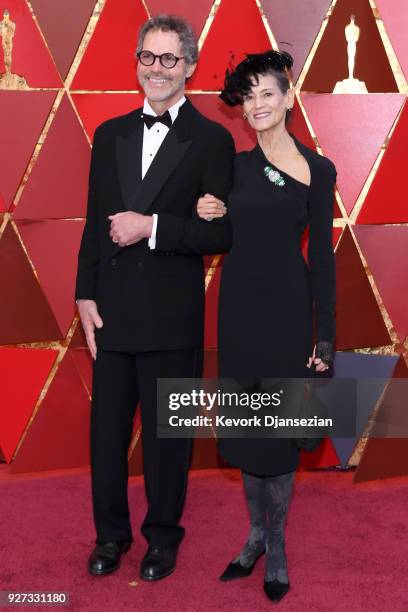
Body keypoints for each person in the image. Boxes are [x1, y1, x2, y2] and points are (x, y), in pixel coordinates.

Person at [75, 14, 235, 581]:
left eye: (170, 59)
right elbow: (96, 222)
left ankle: (162, 539)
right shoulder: (109, 134)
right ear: (137, 61)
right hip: (113, 310)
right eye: (148, 57)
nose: (157, 69)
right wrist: (83, 294)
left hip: (172, 314)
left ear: (189, 66)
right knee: (107, 438)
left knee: (169, 438)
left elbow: (220, 233)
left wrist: (153, 227)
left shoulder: (213, 140)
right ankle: (110, 536)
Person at [197, 50, 337, 603]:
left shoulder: (317, 170)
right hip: (238, 313)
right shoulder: (235, 167)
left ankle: (275, 545)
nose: (257, 105)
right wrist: (213, 212)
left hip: (286, 315)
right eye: (248, 96)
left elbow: (322, 261)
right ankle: (253, 534)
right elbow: (225, 235)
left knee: (279, 440)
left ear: (287, 96)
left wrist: (323, 336)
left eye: (267, 94)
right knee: (247, 433)